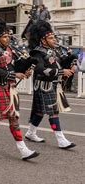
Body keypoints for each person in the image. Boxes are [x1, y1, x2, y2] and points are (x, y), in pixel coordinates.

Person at [0, 16, 39, 160]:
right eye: (4, 37)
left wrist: (24, 70)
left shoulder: (8, 50)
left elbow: (14, 66)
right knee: (12, 117)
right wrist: (14, 75)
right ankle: (23, 150)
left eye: (7, 36)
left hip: (8, 87)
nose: (7, 39)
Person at [25, 20, 76, 149]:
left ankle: (30, 133)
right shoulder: (38, 52)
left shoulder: (53, 50)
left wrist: (72, 59)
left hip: (52, 84)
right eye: (51, 38)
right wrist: (61, 72)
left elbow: (61, 62)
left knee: (39, 112)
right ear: (43, 39)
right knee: (53, 112)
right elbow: (41, 70)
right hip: (43, 85)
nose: (54, 40)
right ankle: (61, 139)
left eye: (54, 37)